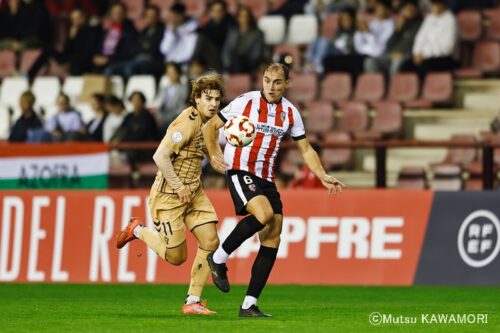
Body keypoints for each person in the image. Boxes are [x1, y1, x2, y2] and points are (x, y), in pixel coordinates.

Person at [202, 63, 345, 317]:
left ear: (286, 84)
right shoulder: (244, 102)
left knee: (273, 235)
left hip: (266, 178)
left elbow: (306, 149)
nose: (270, 86)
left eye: (277, 82)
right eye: (267, 80)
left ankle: (249, 305)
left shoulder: (290, 113)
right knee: (264, 215)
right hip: (239, 170)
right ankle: (219, 257)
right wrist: (214, 154)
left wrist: (321, 174)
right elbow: (210, 127)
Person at [116, 74, 226, 315]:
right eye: (208, 98)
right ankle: (136, 229)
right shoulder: (186, 122)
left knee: (211, 241)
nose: (213, 104)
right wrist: (178, 186)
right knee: (177, 258)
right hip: (169, 196)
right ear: (196, 99)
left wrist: (216, 159)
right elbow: (160, 156)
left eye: (217, 99)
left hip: (194, 193)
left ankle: (193, 301)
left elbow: (203, 147)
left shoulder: (211, 123)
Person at [399, 0, 458, 79]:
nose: (434, 7)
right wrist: (416, 53)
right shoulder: (429, 18)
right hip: (424, 56)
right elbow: (420, 38)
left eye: (437, 4)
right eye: (433, 4)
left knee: (424, 67)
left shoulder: (451, 20)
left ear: (443, 5)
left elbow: (447, 48)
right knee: (405, 66)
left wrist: (425, 55)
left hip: (445, 58)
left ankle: (424, 90)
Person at [364, 0, 422, 76]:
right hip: (391, 55)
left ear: (416, 9)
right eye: (406, 8)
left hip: (407, 56)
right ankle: (378, 86)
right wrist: (397, 31)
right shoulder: (401, 25)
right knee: (370, 62)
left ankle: (393, 86)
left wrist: (404, 54)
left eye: (411, 8)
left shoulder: (420, 25)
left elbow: (419, 44)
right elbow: (388, 45)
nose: (409, 11)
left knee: (397, 63)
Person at [222, 6, 265, 74]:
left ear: (250, 17)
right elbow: (226, 50)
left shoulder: (257, 33)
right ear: (237, 18)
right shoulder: (232, 32)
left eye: (246, 16)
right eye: (241, 16)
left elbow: (257, 54)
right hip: (233, 63)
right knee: (235, 60)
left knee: (238, 60)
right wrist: (227, 64)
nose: (244, 18)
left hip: (248, 63)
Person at [155, 62, 188, 133]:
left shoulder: (184, 89)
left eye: (173, 72)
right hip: (162, 118)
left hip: (174, 119)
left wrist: (167, 119)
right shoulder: (164, 89)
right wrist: (159, 116)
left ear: (178, 73)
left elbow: (181, 107)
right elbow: (159, 105)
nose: (171, 75)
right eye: (169, 73)